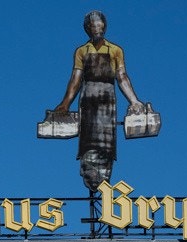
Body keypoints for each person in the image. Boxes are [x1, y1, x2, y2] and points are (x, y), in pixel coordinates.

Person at [54, 10, 146, 190]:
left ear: (104, 27)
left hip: (107, 97)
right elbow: (76, 78)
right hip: (88, 98)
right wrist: (65, 103)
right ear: (87, 29)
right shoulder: (82, 51)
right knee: (88, 138)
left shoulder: (115, 50)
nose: (96, 29)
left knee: (106, 139)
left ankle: (104, 172)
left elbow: (122, 76)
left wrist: (134, 101)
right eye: (92, 26)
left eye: (99, 26)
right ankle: (89, 171)